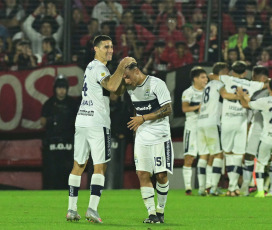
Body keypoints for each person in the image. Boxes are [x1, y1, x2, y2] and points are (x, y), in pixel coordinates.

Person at [66, 35, 132, 223]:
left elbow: (114, 91)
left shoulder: (90, 67)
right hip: (97, 122)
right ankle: (92, 210)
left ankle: (71, 210)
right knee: (100, 166)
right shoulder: (100, 68)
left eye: (111, 46)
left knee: (79, 165)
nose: (110, 50)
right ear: (95, 48)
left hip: (82, 120)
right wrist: (122, 66)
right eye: (105, 47)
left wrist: (123, 83)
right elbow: (111, 85)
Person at [117, 59, 174, 224]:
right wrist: (120, 70)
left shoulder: (156, 84)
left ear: (136, 71)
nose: (126, 81)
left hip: (160, 136)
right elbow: (115, 90)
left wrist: (143, 118)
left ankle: (161, 211)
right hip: (142, 136)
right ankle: (151, 214)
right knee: (142, 173)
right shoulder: (129, 87)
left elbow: (168, 109)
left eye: (127, 77)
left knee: (161, 175)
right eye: (124, 79)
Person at [238, 78, 272, 198]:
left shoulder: (264, 101)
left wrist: (242, 95)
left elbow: (245, 104)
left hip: (268, 138)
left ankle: (260, 192)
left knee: (260, 164)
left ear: (269, 88)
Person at [220, 61, 266, 197]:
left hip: (227, 120)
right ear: (245, 73)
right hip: (241, 121)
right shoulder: (252, 84)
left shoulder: (226, 79)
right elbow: (266, 84)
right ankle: (234, 187)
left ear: (231, 71)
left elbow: (213, 76)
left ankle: (231, 187)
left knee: (228, 153)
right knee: (239, 154)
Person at [198, 62, 238, 196]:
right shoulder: (218, 84)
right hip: (211, 121)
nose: (228, 75)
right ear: (221, 73)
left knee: (209, 154)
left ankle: (205, 186)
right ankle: (213, 187)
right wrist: (241, 97)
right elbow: (226, 95)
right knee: (219, 154)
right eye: (226, 72)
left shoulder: (207, 86)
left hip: (201, 121)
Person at [40, 75, 78, 190]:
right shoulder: (48, 104)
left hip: (69, 141)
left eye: (63, 88)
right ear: (55, 89)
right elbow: (42, 122)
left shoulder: (73, 104)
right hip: (52, 141)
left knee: (68, 170)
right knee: (52, 170)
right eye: (59, 88)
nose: (61, 90)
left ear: (67, 89)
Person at [240, 66, 271, 196]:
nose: (252, 79)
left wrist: (242, 96)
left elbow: (248, 105)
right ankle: (246, 186)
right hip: (257, 126)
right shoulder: (257, 90)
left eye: (254, 76)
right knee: (249, 155)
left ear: (262, 78)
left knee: (269, 158)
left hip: (269, 129)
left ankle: (268, 186)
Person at [181, 66, 208, 195]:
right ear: (195, 79)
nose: (206, 79)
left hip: (205, 127)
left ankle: (205, 186)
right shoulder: (188, 92)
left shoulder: (208, 92)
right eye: (203, 77)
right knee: (189, 157)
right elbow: (184, 108)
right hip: (192, 127)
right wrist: (198, 107)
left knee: (205, 156)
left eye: (206, 77)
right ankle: (188, 187)